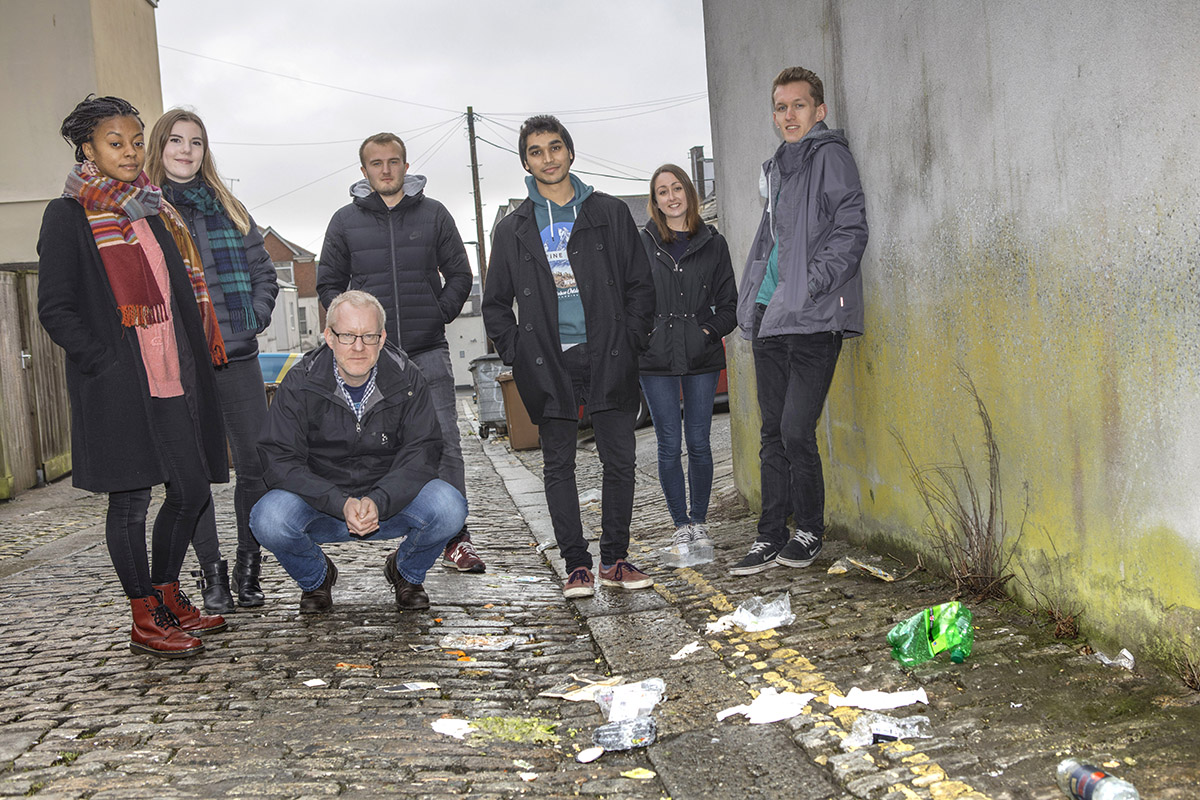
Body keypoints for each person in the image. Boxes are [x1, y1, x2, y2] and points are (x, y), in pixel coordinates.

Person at [37, 95, 230, 657]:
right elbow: (55, 308)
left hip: (174, 377)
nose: (127, 151)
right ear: (87, 149)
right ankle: (143, 616)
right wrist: (104, 360)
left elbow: (177, 296)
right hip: (120, 385)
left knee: (191, 489)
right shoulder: (68, 215)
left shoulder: (153, 210)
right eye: (113, 142)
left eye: (132, 140)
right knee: (130, 503)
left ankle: (167, 594)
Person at [482, 115, 656, 599]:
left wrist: (633, 337)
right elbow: (495, 304)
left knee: (620, 461)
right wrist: (519, 352)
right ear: (525, 162)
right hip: (548, 362)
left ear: (571, 153)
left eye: (555, 147)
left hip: (609, 352)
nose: (548, 158)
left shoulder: (608, 212)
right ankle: (576, 566)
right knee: (559, 465)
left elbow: (641, 285)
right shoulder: (513, 228)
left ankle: (615, 560)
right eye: (536, 151)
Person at [317, 133, 482, 574]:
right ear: (364, 171)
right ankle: (385, 528)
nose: (385, 170)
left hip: (428, 352)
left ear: (406, 167)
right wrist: (355, 336)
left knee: (445, 444)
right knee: (375, 451)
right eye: (376, 163)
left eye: (393, 162)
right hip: (370, 361)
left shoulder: (434, 214)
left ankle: (456, 539)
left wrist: (437, 313)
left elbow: (460, 275)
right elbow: (328, 285)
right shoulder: (345, 221)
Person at [249, 291, 468, 613]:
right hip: (321, 504)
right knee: (267, 519)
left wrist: (379, 499)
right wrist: (339, 502)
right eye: (347, 335)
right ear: (329, 337)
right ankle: (317, 578)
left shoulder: (408, 378)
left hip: (391, 502)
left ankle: (405, 572)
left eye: (368, 335)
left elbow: (423, 451)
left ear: (382, 338)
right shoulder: (299, 383)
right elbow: (279, 459)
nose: (358, 346)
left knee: (450, 508)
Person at [732, 67, 868, 576]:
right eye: (781, 107)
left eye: (798, 106)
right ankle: (769, 535)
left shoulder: (830, 156)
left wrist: (808, 284)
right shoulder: (776, 168)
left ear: (819, 111)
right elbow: (769, 243)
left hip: (811, 318)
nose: (789, 115)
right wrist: (753, 299)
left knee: (795, 430)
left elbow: (852, 230)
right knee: (771, 434)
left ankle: (809, 527)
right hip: (771, 317)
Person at [146, 109, 279, 612]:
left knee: (257, 465)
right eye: (176, 141)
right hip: (182, 365)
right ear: (159, 147)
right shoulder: (147, 211)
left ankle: (249, 566)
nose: (186, 150)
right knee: (193, 471)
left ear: (206, 151)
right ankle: (212, 574)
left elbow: (264, 273)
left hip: (239, 357)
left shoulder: (229, 207)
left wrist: (253, 319)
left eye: (196, 142)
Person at [638, 165, 737, 555]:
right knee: (667, 444)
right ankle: (680, 524)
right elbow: (630, 298)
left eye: (677, 188)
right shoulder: (642, 243)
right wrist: (643, 335)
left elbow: (730, 305)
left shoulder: (713, 243)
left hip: (701, 355)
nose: (671, 197)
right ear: (655, 200)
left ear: (689, 193)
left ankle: (700, 521)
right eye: (662, 191)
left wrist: (706, 332)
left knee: (698, 441)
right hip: (655, 357)